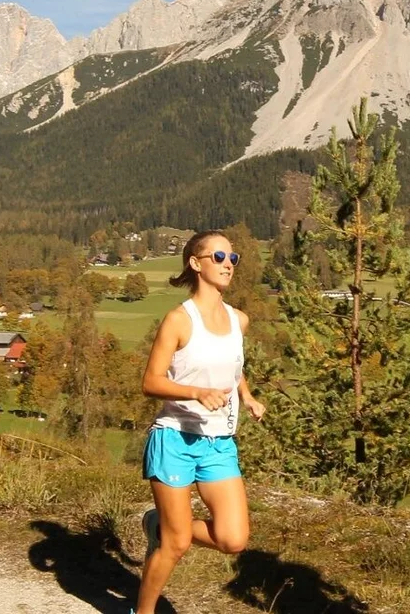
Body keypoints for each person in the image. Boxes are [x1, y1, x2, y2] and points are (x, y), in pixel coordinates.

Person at [134, 230, 265, 614]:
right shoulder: (179, 320)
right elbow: (150, 382)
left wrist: (247, 396)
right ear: (196, 263)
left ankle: (158, 524)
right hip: (175, 438)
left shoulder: (239, 320)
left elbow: (232, 365)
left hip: (219, 441)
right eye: (219, 257)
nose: (228, 264)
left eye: (233, 258)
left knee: (233, 538)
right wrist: (195, 392)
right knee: (176, 546)